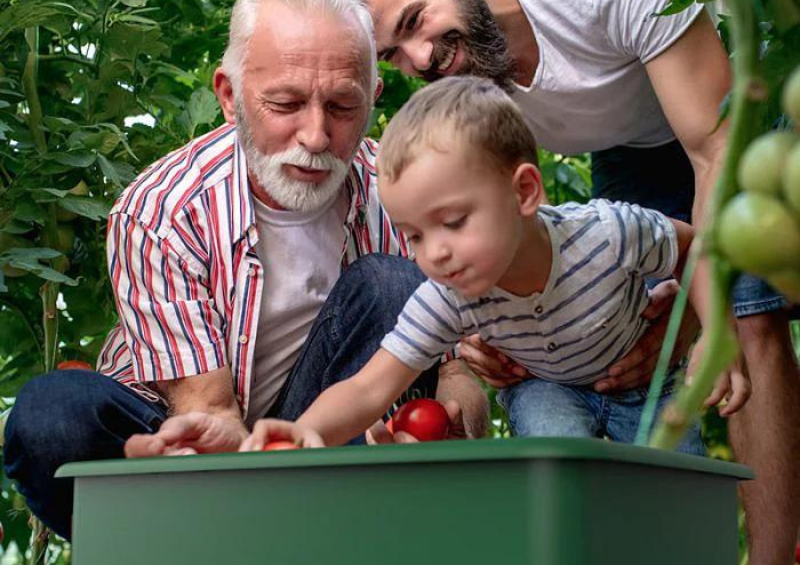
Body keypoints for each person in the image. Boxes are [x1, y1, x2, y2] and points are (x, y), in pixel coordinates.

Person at [319, 0, 800, 565]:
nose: (419, 58)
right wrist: (485, 340)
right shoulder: (467, 82)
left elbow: (710, 152)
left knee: (746, 316)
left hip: (724, 101)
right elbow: (505, 223)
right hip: (628, 142)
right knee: (648, 337)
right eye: (396, 55)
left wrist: (704, 315)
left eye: (414, 22)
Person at [3, 0, 488, 541]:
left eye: (341, 106)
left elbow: (451, 360)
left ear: (373, 98)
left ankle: (319, 539)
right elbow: (206, 409)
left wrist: (460, 406)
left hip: (319, 441)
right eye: (284, 103)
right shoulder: (162, 209)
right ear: (229, 96)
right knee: (51, 416)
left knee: (389, 282)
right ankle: (166, 560)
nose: (315, 135)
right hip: (183, 435)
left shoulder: (398, 191)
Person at [242, 77, 748, 453]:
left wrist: (717, 331)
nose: (433, 253)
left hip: (644, 386)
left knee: (677, 484)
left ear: (524, 191)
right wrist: (307, 429)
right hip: (546, 387)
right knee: (559, 467)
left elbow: (692, 248)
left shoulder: (608, 233)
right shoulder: (448, 295)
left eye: (454, 221)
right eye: (415, 235)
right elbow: (370, 385)